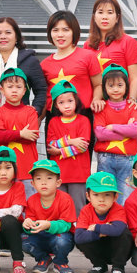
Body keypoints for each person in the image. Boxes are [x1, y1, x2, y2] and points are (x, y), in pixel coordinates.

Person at [0, 17, 47, 117]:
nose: (3, 36)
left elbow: (41, 90)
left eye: (8, 32)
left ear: (16, 37)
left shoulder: (30, 61)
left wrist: (35, 110)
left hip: (21, 119)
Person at [0, 68, 40, 198]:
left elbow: (32, 136)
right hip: (4, 172)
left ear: (24, 91)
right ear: (2, 90)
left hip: (28, 170)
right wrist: (21, 134)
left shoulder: (31, 112)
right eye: (10, 86)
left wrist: (6, 134)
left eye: (19, 87)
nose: (14, 90)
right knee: (6, 204)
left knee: (29, 205)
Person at [93, 65, 137, 200]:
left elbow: (135, 130)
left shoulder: (132, 107)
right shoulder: (102, 107)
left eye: (120, 85)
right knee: (104, 194)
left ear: (126, 86)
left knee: (126, 196)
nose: (115, 89)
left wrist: (112, 127)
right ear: (104, 88)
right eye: (111, 85)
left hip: (128, 158)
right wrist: (126, 129)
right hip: (105, 158)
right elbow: (100, 134)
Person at [41, 10, 103, 115]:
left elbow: (98, 84)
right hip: (54, 117)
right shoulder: (44, 64)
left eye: (65, 30)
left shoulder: (88, 56)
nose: (60, 35)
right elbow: (43, 96)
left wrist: (96, 99)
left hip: (83, 115)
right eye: (55, 30)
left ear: (74, 32)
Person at [22, 159, 77, 273]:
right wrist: (27, 224)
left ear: (58, 182)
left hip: (60, 236)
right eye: (38, 178)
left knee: (62, 241)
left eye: (49, 178)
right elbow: (30, 225)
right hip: (40, 236)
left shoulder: (65, 199)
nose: (43, 182)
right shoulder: (31, 200)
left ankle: (60, 262)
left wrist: (49, 225)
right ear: (33, 183)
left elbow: (67, 224)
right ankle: (43, 258)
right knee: (23, 239)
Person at [73, 171, 131, 273]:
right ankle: (99, 265)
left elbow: (118, 230)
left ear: (115, 197)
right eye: (96, 194)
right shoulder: (86, 210)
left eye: (107, 195)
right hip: (98, 248)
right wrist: (102, 231)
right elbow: (78, 237)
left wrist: (96, 227)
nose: (101, 199)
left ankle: (118, 268)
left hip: (117, 250)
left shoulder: (118, 209)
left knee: (125, 233)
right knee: (81, 241)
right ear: (88, 196)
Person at [85, 0, 137, 103]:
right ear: (94, 17)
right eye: (100, 12)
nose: (105, 17)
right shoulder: (87, 45)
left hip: (120, 105)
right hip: (96, 105)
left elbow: (135, 78)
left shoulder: (129, 42)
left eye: (110, 12)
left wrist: (132, 100)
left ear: (117, 18)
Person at [46, 81, 92, 213]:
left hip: (79, 174)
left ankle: (78, 227)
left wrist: (59, 151)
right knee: (61, 208)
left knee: (78, 208)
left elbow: (82, 147)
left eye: (70, 101)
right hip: (59, 174)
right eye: (61, 102)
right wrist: (71, 141)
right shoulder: (53, 122)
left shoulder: (83, 120)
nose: (66, 106)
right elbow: (51, 145)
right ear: (56, 105)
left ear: (76, 101)